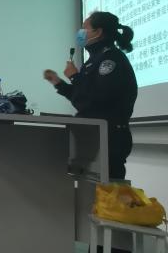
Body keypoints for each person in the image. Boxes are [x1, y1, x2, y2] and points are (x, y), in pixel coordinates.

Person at [44, 11, 138, 180]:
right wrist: (59, 83)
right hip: (92, 135)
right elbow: (83, 99)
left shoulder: (111, 59)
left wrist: (74, 76)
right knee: (88, 189)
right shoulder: (95, 59)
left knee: (107, 191)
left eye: (84, 28)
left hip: (109, 137)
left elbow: (98, 97)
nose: (80, 32)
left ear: (98, 32)